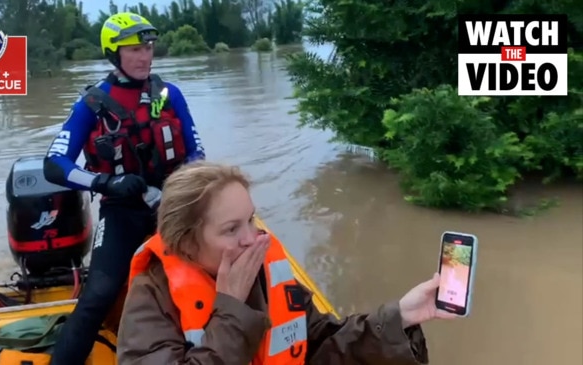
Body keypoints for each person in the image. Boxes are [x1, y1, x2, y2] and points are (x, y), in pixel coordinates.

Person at [117, 161, 457, 364]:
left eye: (251, 220)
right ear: (187, 243)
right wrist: (231, 309)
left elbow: (322, 344)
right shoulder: (152, 300)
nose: (252, 238)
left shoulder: (267, 271)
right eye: (231, 229)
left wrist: (401, 317)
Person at [42, 12, 205, 365]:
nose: (145, 56)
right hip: (121, 209)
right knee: (98, 294)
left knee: (213, 271)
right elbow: (55, 164)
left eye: (148, 46)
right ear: (114, 54)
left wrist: (179, 188)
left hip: (173, 205)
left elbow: (196, 152)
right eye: (134, 49)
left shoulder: (169, 94)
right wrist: (105, 182)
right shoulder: (92, 104)